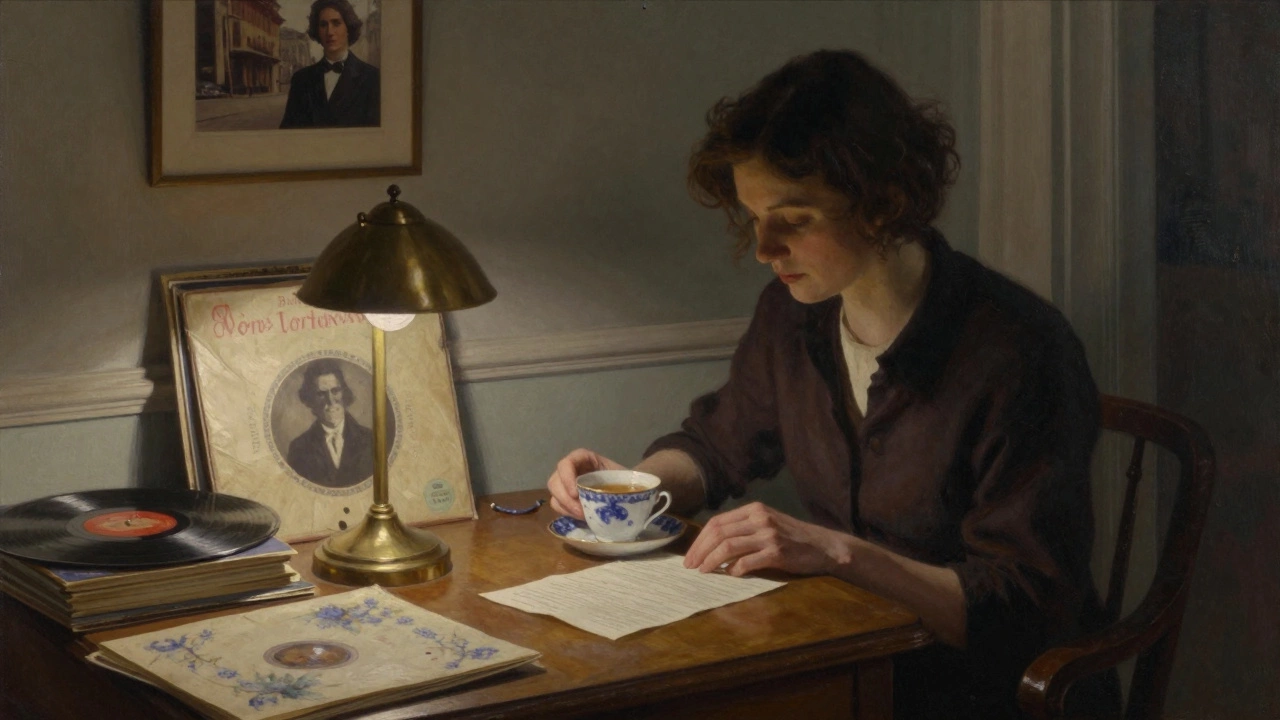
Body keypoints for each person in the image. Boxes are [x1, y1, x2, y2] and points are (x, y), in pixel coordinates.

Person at [546, 50, 1121, 719]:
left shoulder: (1019, 350)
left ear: (881, 201)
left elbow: (1020, 614)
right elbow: (715, 444)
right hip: (851, 666)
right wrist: (632, 491)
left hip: (981, 695)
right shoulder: (792, 316)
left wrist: (839, 554)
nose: (764, 248)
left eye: (794, 218)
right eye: (753, 217)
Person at [279, 0, 380, 129]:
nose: (330, 32)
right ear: (317, 31)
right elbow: (288, 133)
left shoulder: (372, 78)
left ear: (348, 28)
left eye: (336, 23)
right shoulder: (301, 80)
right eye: (323, 25)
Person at [286, 360, 375, 488]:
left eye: (335, 391)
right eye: (321, 394)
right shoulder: (299, 448)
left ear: (344, 393)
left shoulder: (370, 440)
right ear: (310, 399)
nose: (331, 400)